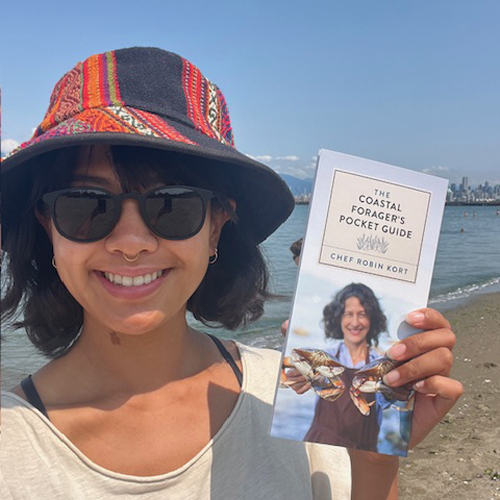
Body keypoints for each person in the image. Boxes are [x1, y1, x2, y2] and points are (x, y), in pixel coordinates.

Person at [1, 47, 463, 500]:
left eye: (172, 205)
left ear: (216, 227)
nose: (131, 242)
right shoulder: (10, 446)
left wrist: (374, 461)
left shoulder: (306, 396)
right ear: (48, 229)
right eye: (86, 204)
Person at [302, 283, 390, 450]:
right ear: (339, 318)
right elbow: (298, 374)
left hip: (363, 452)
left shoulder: (380, 364)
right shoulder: (324, 359)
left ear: (372, 319)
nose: (355, 322)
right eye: (348, 314)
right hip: (320, 445)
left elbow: (390, 401)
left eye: (362, 314)